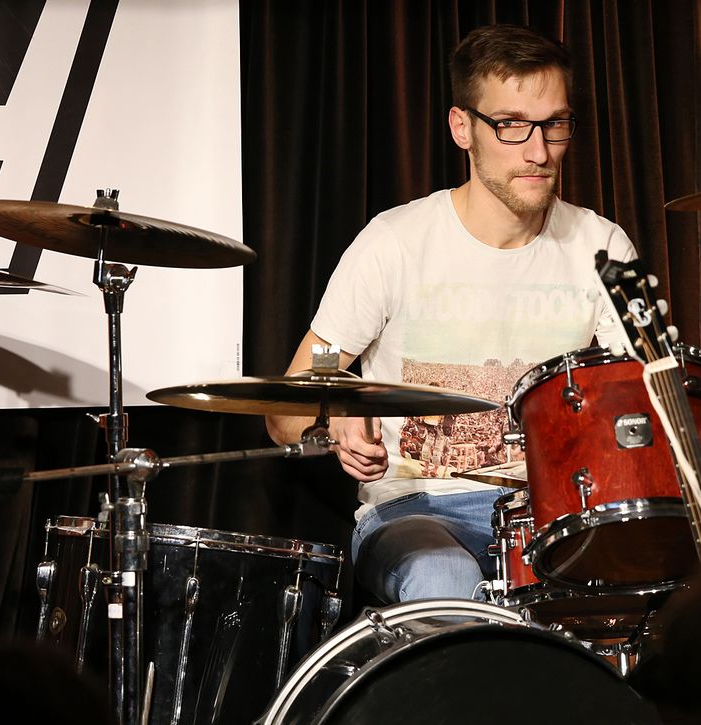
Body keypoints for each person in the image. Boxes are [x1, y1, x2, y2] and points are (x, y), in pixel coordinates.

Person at [266, 24, 636, 604]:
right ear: (462, 127)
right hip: (416, 510)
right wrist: (333, 412)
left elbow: (637, 404)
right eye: (511, 125)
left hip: (556, 514)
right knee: (445, 580)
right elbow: (285, 409)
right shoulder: (394, 242)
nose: (539, 152)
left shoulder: (602, 247)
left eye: (554, 124)